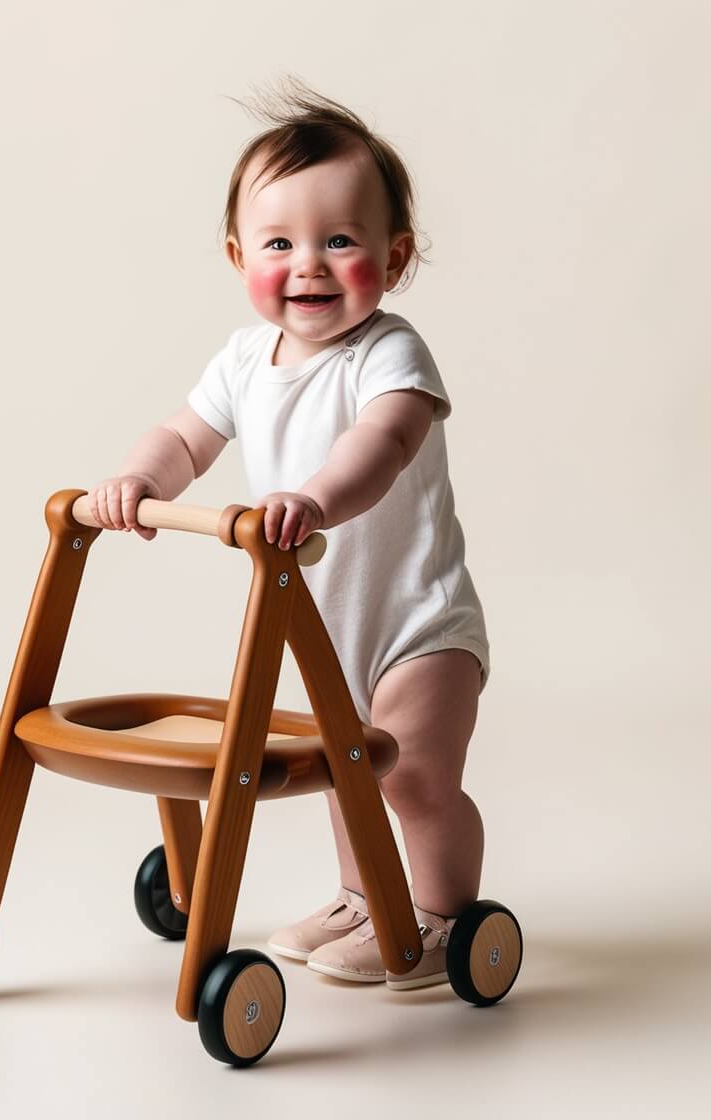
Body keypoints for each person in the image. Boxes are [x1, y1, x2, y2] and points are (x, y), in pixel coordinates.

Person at [87, 76, 490, 990]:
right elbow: (186, 437)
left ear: (394, 258)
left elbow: (381, 445)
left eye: (339, 242)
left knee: (411, 777)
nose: (308, 265)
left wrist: (312, 498)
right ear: (239, 256)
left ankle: (443, 915)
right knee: (346, 775)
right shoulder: (242, 360)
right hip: (320, 625)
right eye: (280, 243)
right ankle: (367, 896)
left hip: (417, 626)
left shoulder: (391, 353)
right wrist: (140, 481)